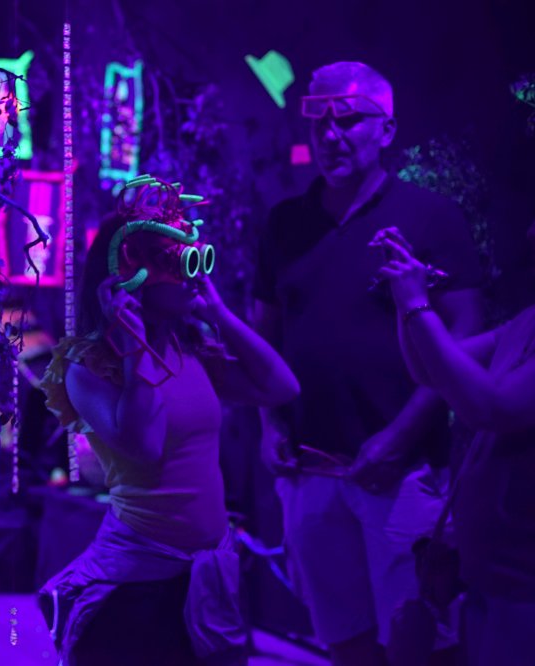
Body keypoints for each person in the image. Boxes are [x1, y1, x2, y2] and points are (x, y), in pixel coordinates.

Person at [253, 61, 485, 665]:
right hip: (308, 469)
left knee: (419, 643)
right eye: (319, 122)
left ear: (387, 129)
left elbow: (467, 335)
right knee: (344, 640)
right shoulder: (286, 223)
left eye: (350, 120)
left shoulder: (431, 216)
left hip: (403, 471)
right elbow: (265, 336)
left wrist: (400, 436)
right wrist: (269, 424)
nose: (331, 135)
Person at [39, 176, 300, 665]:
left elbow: (281, 387)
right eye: (173, 261)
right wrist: (134, 347)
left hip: (207, 573)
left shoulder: (190, 348)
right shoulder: (88, 367)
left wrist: (219, 312)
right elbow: (145, 445)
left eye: (191, 256)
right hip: (138, 579)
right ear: (127, 275)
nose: (189, 274)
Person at [373, 222, 535, 666]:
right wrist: (405, 299)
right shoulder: (528, 320)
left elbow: (494, 408)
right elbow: (430, 370)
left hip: (525, 588)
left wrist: (417, 303)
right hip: (491, 579)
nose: (530, 232)